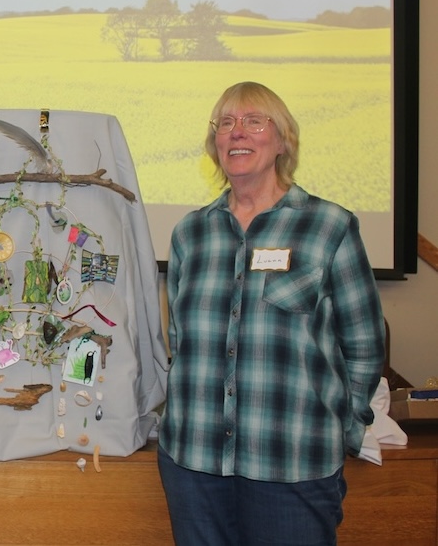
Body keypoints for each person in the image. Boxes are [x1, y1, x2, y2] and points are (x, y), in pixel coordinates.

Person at [158, 81, 386, 546]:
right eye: (225, 123)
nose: (237, 132)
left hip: (293, 466)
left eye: (254, 121)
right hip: (193, 463)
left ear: (282, 141)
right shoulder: (190, 234)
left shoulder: (329, 227)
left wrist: (343, 430)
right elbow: (180, 342)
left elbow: (363, 346)